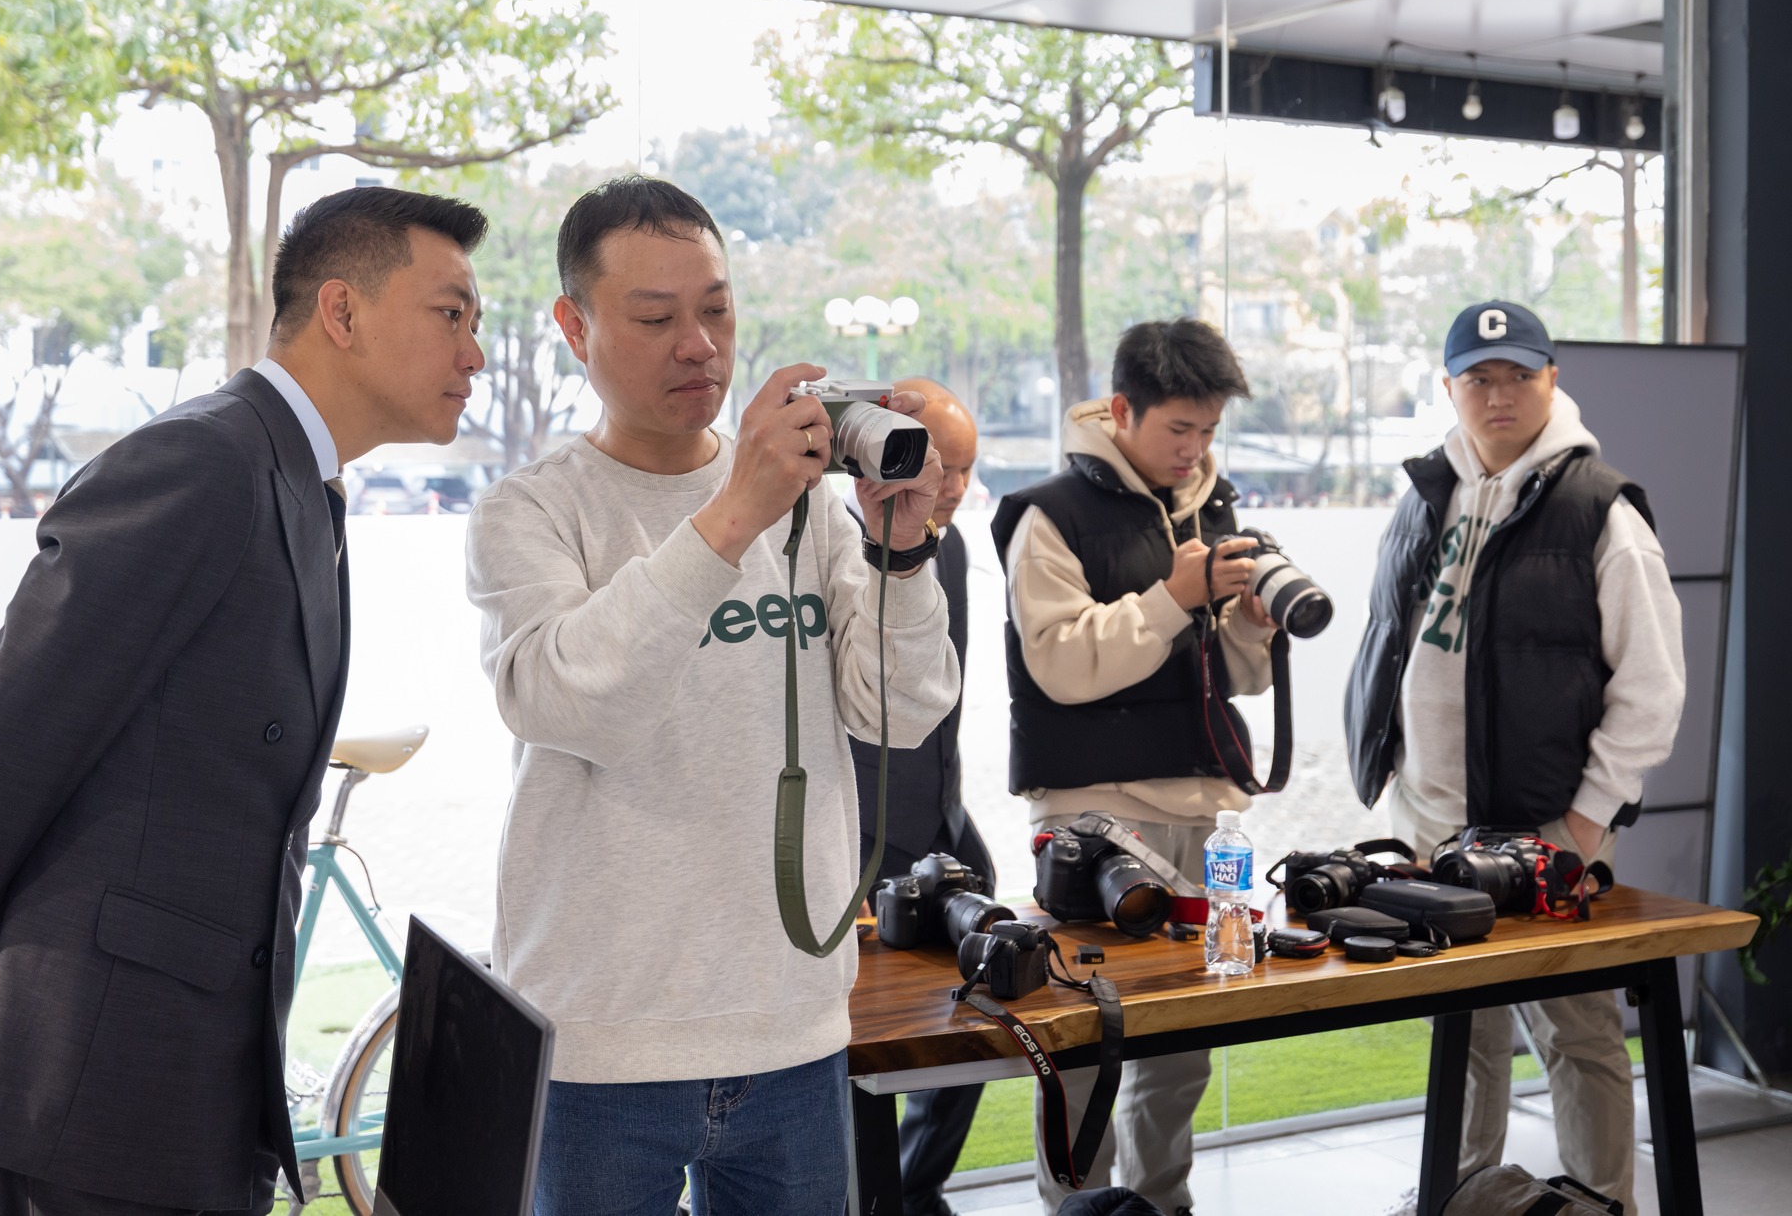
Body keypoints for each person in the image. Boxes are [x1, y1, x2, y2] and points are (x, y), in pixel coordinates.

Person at [0, 187, 489, 1216]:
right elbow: (5, 738)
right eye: (452, 314)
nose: (475, 354)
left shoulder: (302, 483)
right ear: (343, 312)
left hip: (175, 1080)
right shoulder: (205, 462)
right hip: (84, 1089)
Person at [466, 176, 960, 1216]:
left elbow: (901, 712)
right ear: (574, 324)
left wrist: (900, 549)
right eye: (655, 317)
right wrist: (733, 513)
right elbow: (573, 702)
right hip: (602, 1035)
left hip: (790, 1022)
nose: (698, 344)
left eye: (716, 309)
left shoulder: (811, 510)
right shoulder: (530, 513)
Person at [1346, 300, 1683, 1214]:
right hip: (1427, 821)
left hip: (1542, 831)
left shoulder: (1597, 512)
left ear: (1551, 381)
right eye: (1478, 378)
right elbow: (1391, 643)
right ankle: (1465, 1200)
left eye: (1517, 375)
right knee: (1462, 1030)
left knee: (1577, 1032)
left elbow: (1653, 690)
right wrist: (1387, 782)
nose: (1498, 395)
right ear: (1447, 385)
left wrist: (1581, 823)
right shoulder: (1427, 493)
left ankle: (1600, 1203)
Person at [990, 319, 1276, 1216]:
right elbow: (1062, 665)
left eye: (1209, 433)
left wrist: (1253, 629)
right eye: (1178, 431)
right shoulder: (1049, 514)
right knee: (1083, 1041)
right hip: (1096, 816)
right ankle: (1079, 1211)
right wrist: (1174, 595)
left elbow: (1230, 676)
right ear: (1121, 410)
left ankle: (1164, 1205)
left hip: (1204, 808)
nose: (1195, 454)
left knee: (1185, 1045)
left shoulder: (1210, 507)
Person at [847, 377, 990, 1216]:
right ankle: (877, 1196)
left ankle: (914, 1187)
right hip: (861, 833)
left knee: (983, 1009)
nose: (956, 487)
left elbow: (943, 703)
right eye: (946, 465)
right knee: (869, 1042)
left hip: (940, 822)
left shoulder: (955, 546)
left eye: (970, 471)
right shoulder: (853, 542)